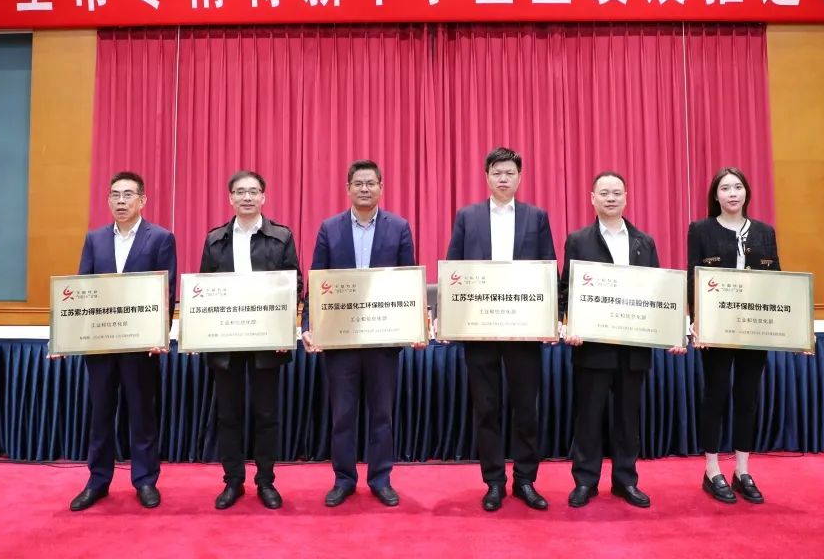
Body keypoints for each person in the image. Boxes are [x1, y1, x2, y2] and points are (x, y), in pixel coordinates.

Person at [559, 171, 681, 509]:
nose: (611, 198)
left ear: (626, 198)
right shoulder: (578, 240)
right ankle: (585, 481)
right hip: (591, 347)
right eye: (604, 193)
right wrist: (569, 323)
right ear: (592, 199)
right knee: (588, 417)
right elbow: (567, 290)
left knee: (628, 418)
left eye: (617, 192)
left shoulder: (644, 242)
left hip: (633, 348)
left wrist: (672, 330)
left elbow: (658, 292)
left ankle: (625, 480)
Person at [301, 160, 419, 508]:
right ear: (348, 189)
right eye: (358, 183)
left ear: (381, 187)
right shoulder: (330, 228)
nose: (364, 188)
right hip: (341, 340)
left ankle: (381, 479)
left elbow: (408, 281)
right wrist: (308, 326)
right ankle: (344, 479)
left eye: (370, 183)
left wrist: (415, 324)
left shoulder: (399, 227)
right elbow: (317, 281)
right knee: (343, 415)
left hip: (382, 339)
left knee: (382, 415)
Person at [446, 147, 556, 512]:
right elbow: (455, 269)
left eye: (510, 172)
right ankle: (493, 481)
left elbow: (548, 269)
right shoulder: (468, 216)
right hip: (480, 329)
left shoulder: (536, 217)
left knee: (526, 408)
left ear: (520, 178)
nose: (503, 178)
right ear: (487, 177)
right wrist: (450, 317)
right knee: (486, 408)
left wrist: (549, 318)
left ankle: (525, 480)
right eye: (497, 172)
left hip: (524, 329)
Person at [68, 171, 177, 512]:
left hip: (141, 346)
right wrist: (70, 335)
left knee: (142, 414)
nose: (121, 201)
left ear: (142, 200)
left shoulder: (160, 238)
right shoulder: (95, 239)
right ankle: (98, 480)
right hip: (101, 345)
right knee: (101, 414)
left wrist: (159, 335)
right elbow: (83, 288)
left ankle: (145, 480)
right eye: (115, 195)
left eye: (128, 195)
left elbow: (166, 291)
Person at [198, 170, 303, 511]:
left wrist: (283, 328)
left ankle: (266, 481)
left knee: (266, 414)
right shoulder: (215, 239)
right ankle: (232, 481)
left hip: (266, 340)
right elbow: (203, 290)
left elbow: (294, 285)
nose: (247, 197)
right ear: (230, 198)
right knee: (228, 414)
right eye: (240, 192)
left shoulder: (281, 237)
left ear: (263, 197)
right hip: (226, 341)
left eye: (253, 191)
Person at [688, 166, 780, 505]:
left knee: (747, 396)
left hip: (755, 327)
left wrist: (790, 326)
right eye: (725, 188)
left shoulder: (764, 232)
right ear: (716, 195)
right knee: (715, 395)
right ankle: (712, 469)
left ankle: (742, 470)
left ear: (746, 193)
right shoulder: (700, 230)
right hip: (716, 328)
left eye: (737, 187)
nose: (732, 193)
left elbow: (777, 281)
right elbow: (693, 277)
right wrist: (696, 321)